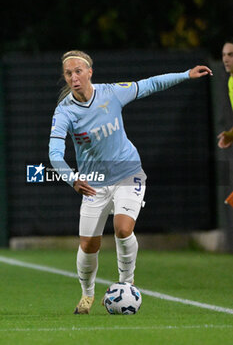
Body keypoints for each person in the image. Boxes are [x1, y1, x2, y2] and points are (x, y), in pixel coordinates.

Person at [49, 50, 212, 314]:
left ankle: (126, 283)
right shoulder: (65, 111)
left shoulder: (111, 93)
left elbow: (150, 84)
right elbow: (54, 154)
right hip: (94, 182)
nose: (73, 77)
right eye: (68, 73)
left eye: (78, 71)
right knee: (89, 244)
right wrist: (72, 179)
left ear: (90, 72)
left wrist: (185, 74)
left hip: (128, 171)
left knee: (123, 229)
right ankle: (87, 295)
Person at [217, 39, 233, 148]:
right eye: (223, 55)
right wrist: (231, 135)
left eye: (231, 55)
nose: (225, 59)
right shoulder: (231, 81)